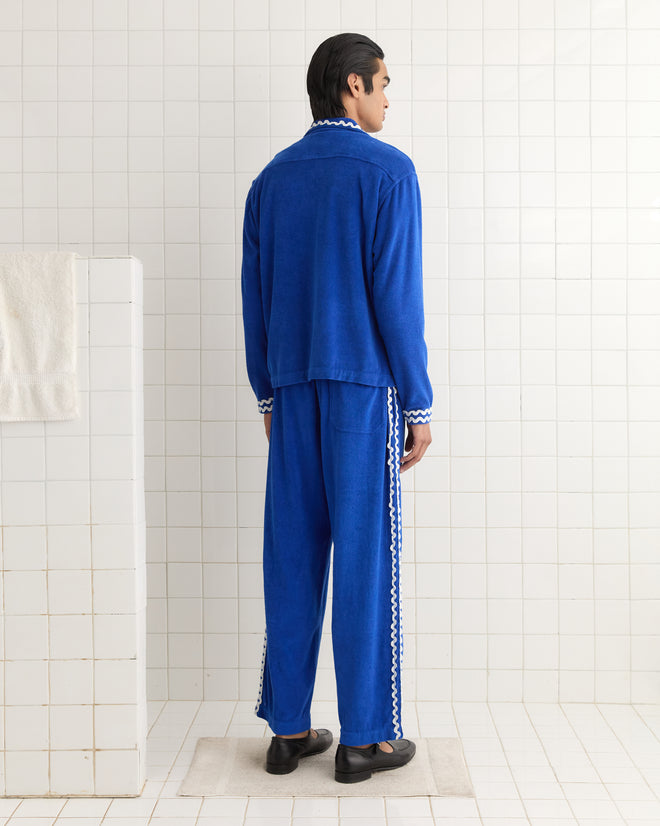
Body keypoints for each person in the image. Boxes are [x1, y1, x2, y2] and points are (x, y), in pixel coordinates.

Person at [241, 32, 433, 784]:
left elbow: (255, 300)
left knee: (290, 556)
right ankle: (367, 739)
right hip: (362, 390)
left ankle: (287, 731)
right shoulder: (389, 172)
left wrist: (267, 391)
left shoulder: (271, 180)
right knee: (363, 556)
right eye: (383, 84)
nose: (388, 98)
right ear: (352, 86)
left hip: (289, 392)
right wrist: (416, 402)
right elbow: (397, 299)